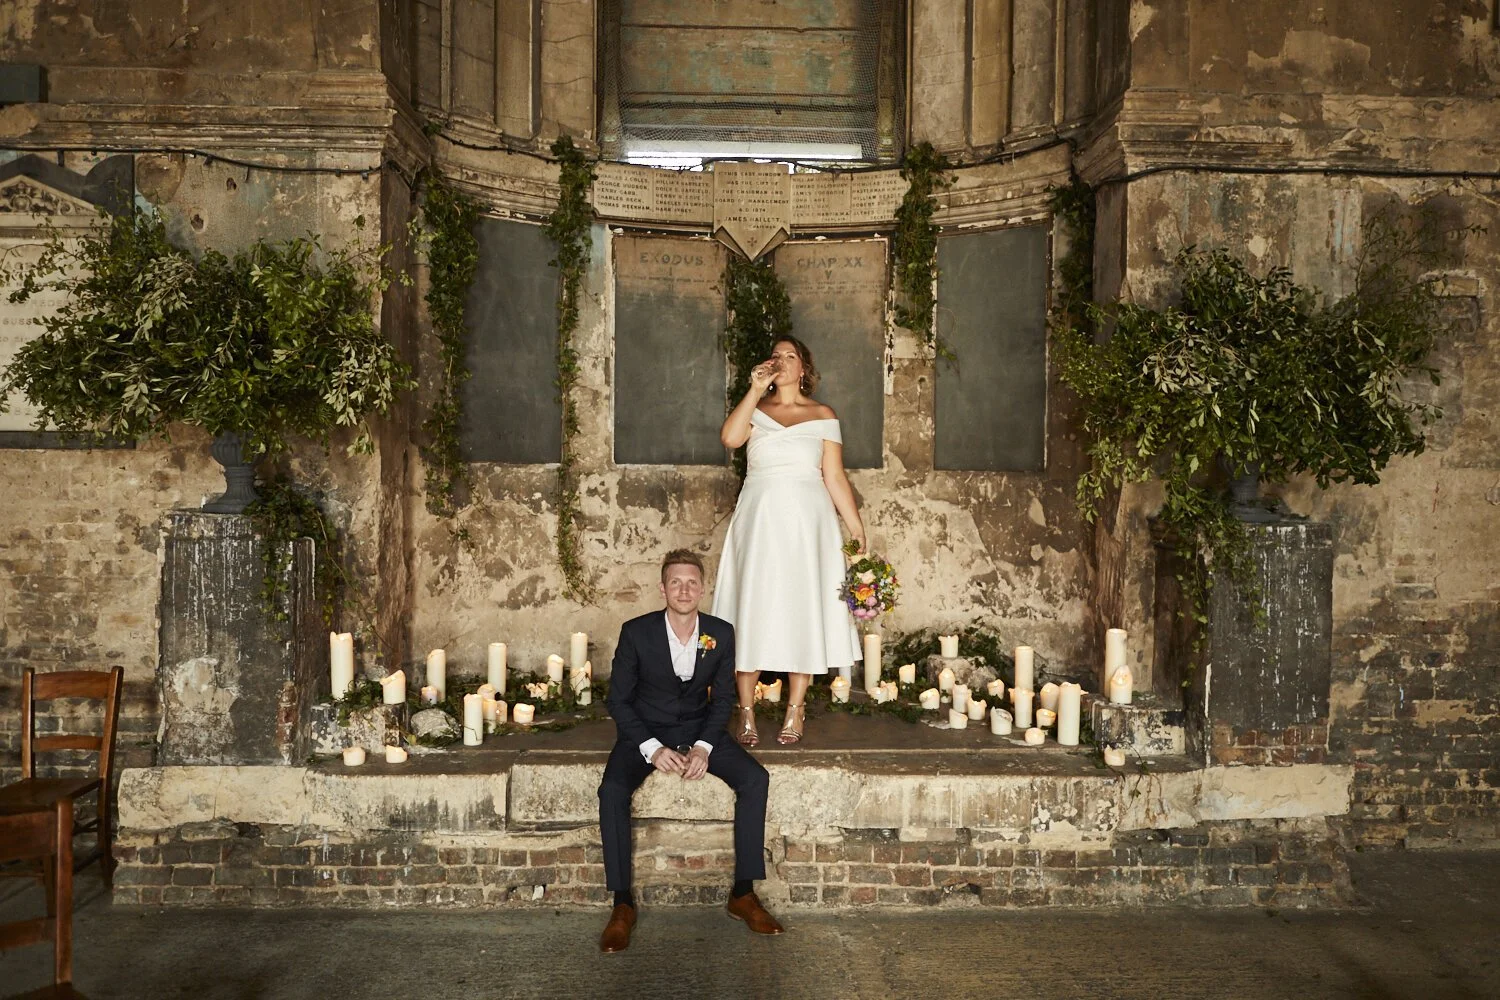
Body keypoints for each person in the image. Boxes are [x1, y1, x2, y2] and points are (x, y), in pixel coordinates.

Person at [596, 549, 783, 953]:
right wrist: (651, 748)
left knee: (755, 779)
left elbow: (723, 701)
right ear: (663, 588)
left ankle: (743, 893)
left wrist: (703, 747)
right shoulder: (636, 632)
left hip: (700, 729)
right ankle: (622, 904)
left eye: (692, 583)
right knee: (611, 790)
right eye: (675, 582)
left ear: (702, 589)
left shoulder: (721, 632)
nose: (684, 589)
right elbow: (618, 700)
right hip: (644, 731)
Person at [713, 336, 865, 747]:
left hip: (807, 523)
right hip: (759, 520)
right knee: (752, 607)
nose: (781, 360)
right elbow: (730, 439)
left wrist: (856, 527)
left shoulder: (823, 415)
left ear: (804, 369)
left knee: (803, 607)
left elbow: (833, 476)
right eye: (775, 355)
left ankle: (795, 709)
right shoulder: (756, 411)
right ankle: (745, 711)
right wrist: (755, 389)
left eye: (790, 356)